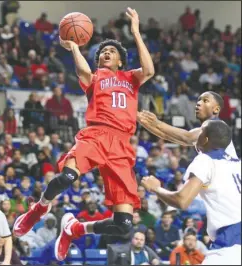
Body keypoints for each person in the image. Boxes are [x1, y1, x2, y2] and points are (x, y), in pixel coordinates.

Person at [13, 7, 155, 261]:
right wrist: (75, 47)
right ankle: (39, 209)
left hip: (122, 146)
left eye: (110, 52)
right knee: (67, 176)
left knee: (123, 224)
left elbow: (150, 70)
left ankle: (74, 229)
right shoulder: (95, 76)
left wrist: (135, 31)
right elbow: (82, 72)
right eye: (101, 53)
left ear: (121, 60)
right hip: (96, 135)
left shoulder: (130, 77)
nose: (105, 54)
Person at [141, 120, 241, 265]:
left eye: (200, 132)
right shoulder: (237, 164)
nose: (196, 135)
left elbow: (182, 200)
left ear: (205, 139)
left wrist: (156, 188)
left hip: (231, 242)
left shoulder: (206, 160)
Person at [137, 91, 238, 159]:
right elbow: (167, 135)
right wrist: (141, 120)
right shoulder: (204, 130)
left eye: (205, 101)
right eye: (198, 100)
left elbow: (186, 137)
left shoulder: (217, 124)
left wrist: (157, 122)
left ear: (216, 109)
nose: (198, 103)